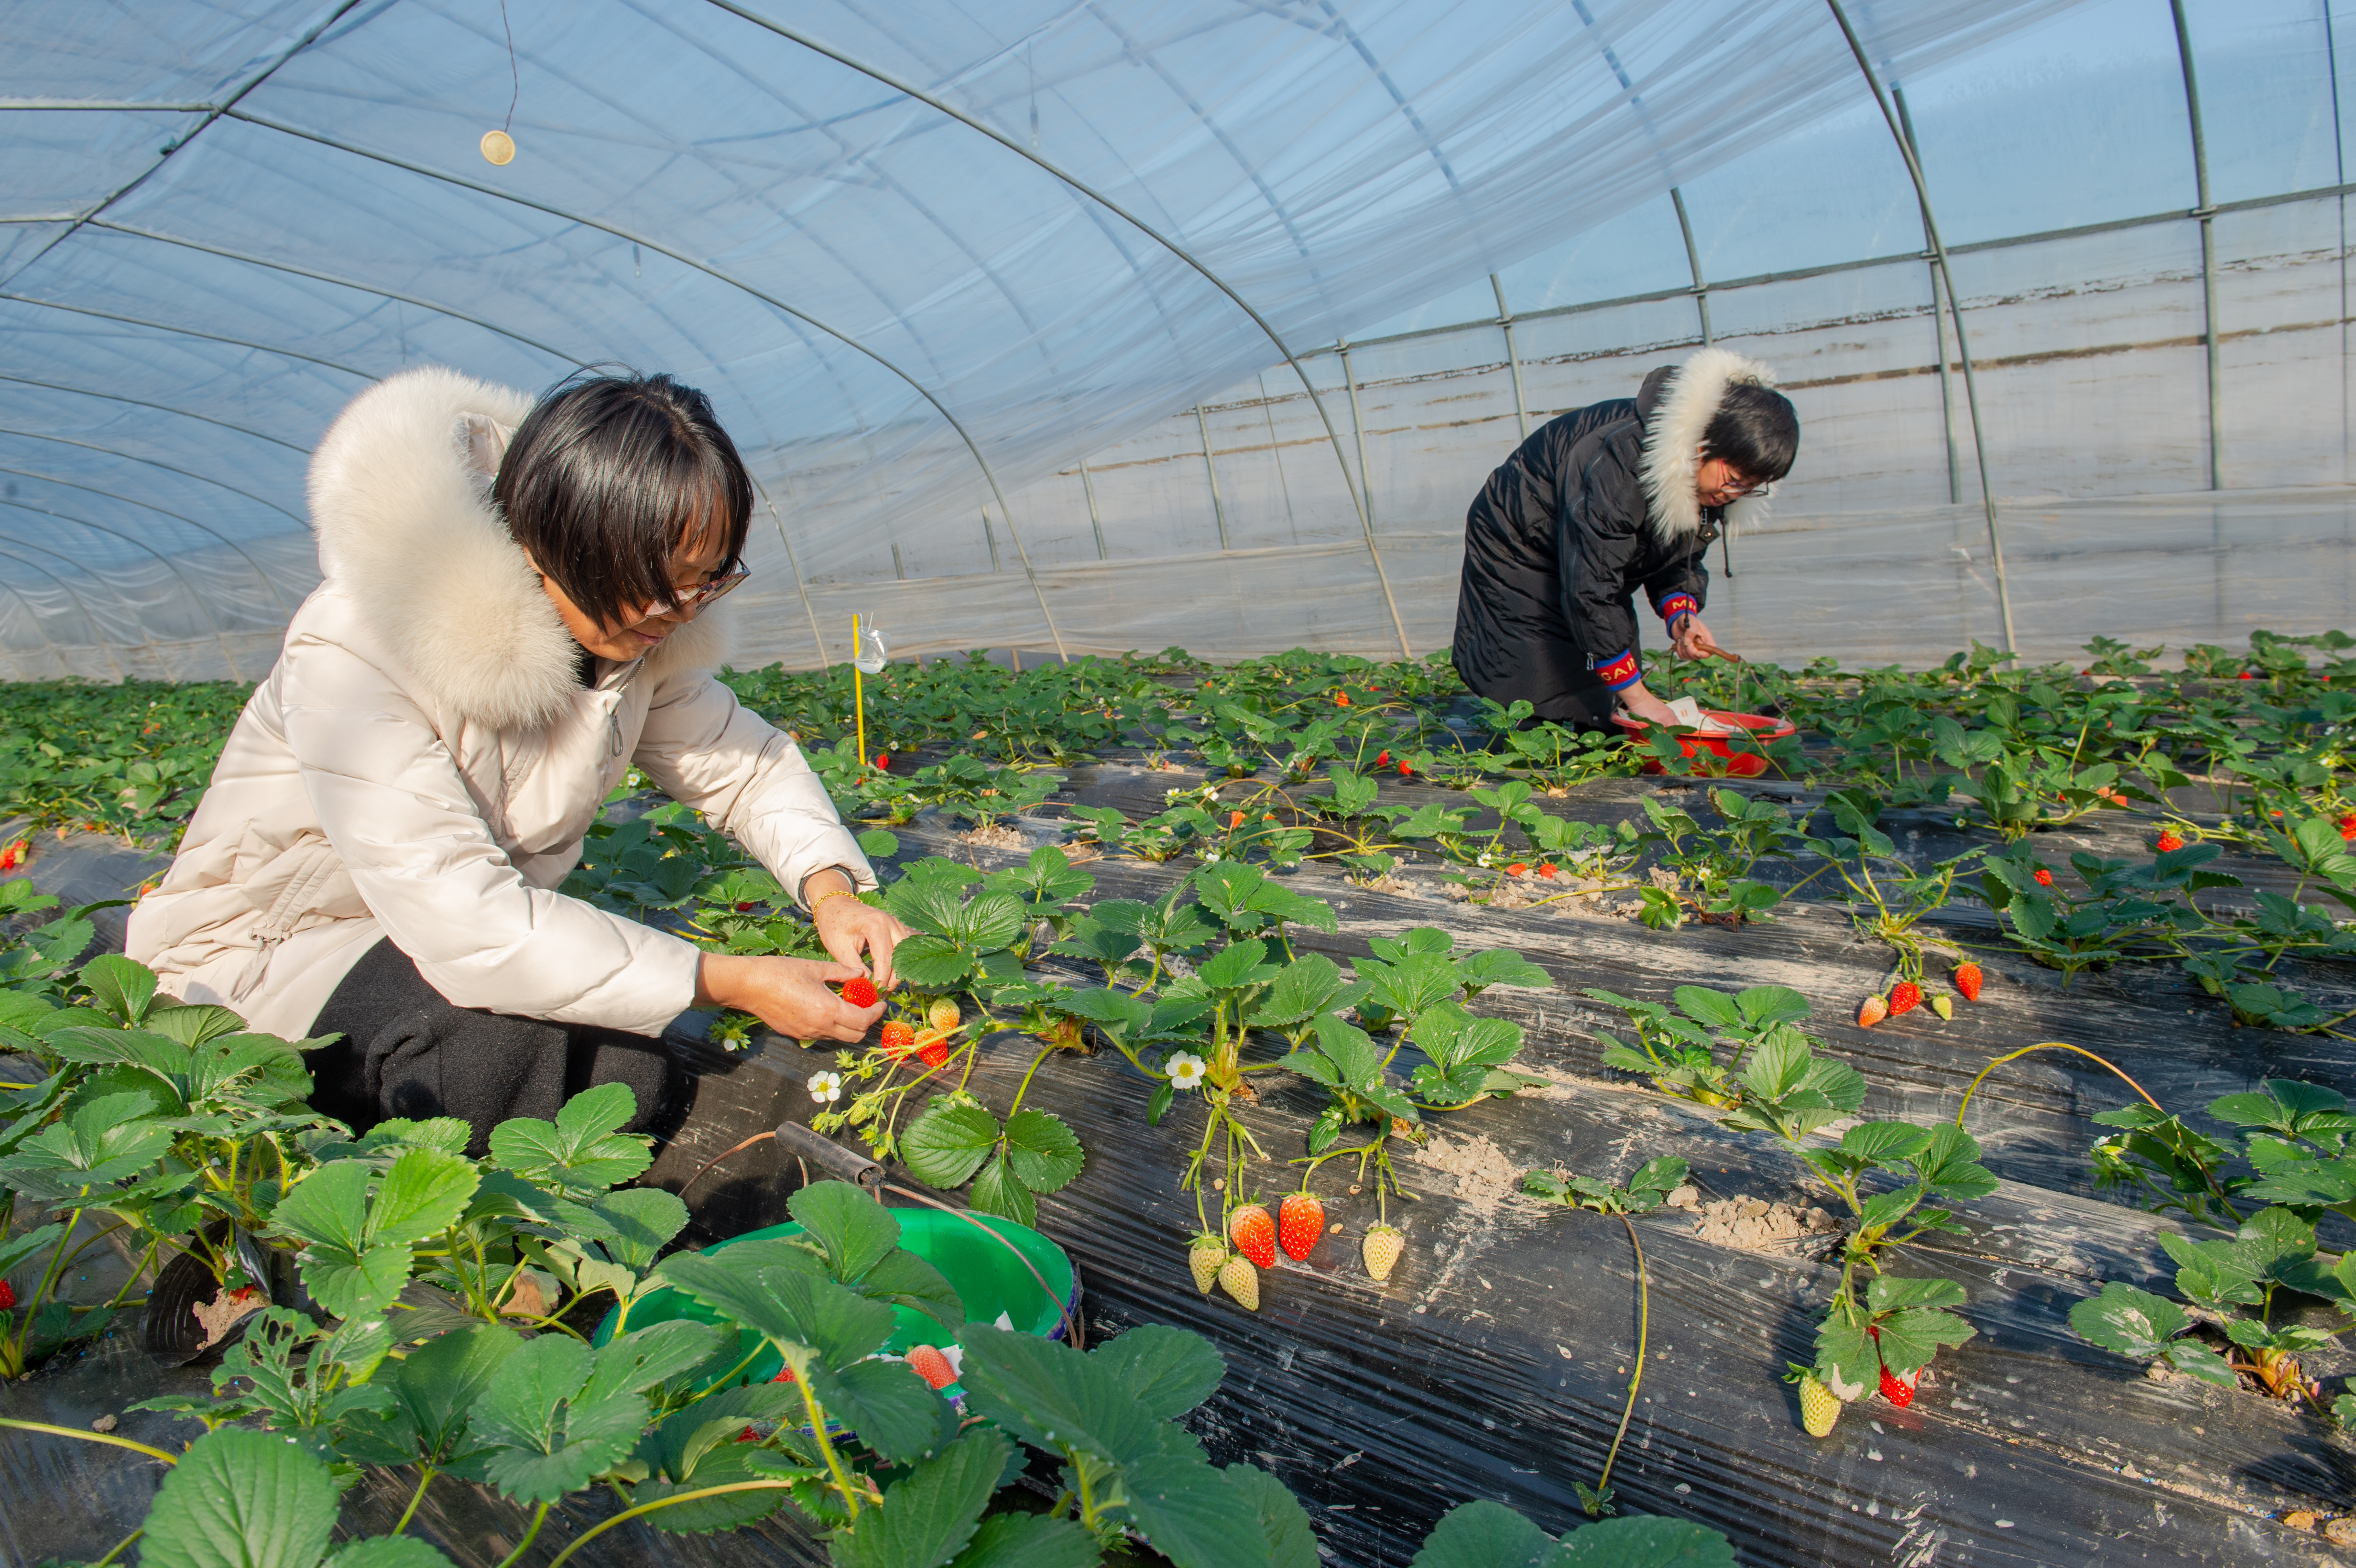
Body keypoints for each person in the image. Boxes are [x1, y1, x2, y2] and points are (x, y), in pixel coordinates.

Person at [125, 365, 909, 1152]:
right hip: (268, 960)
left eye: (704, 582)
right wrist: (729, 978)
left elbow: (742, 765)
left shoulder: (630, 643)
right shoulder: (358, 642)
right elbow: (467, 921)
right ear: (555, 537)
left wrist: (830, 891)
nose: (676, 612)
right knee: (500, 1056)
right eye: (655, 582)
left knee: (632, 1068)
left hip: (442, 941)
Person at [1451, 346, 1799, 730]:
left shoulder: (1704, 483)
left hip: (1585, 547)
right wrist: (1640, 697)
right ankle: (1534, 750)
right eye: (1734, 480)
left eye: (1751, 488)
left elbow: (1675, 553)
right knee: (1535, 668)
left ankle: (1589, 728)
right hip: (1522, 540)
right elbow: (1592, 586)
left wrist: (1681, 613)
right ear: (1702, 447)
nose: (1733, 495)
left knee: (1604, 689)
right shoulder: (1620, 460)